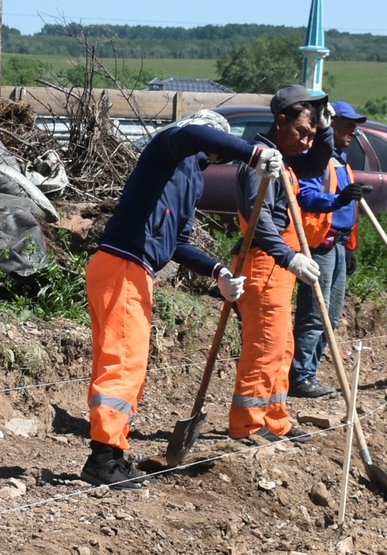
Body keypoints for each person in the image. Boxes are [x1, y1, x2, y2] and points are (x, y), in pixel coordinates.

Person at [78, 109, 270, 486]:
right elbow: (193, 135)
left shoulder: (191, 178)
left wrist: (217, 271)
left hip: (129, 268)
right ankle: (103, 457)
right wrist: (252, 153)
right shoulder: (168, 148)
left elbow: (178, 242)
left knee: (121, 361)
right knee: (124, 362)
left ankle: (112, 452)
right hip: (124, 265)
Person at [230, 86, 336, 442]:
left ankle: (275, 419)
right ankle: (247, 424)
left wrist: (325, 130)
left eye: (311, 134)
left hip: (280, 268)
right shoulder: (261, 163)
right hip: (264, 263)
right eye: (301, 132)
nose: (306, 141)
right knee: (264, 348)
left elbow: (318, 162)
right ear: (280, 121)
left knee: (281, 348)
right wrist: (289, 256)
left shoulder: (285, 159)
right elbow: (258, 221)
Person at [289, 101, 368, 399]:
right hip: (319, 244)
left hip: (338, 245)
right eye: (348, 125)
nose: (353, 131)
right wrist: (338, 199)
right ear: (331, 125)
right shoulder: (316, 160)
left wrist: (351, 246)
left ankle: (308, 371)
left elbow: (350, 211)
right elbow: (306, 197)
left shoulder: (342, 162)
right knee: (314, 314)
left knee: (331, 316)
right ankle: (300, 376)